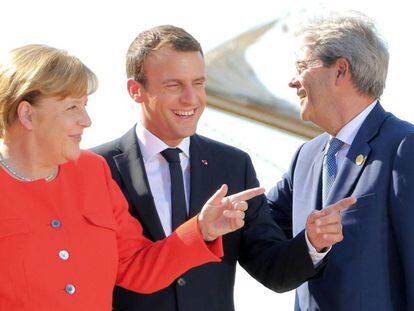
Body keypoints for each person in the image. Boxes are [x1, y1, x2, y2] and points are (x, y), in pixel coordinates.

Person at [93, 25, 355, 311]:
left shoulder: (233, 165)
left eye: (198, 83)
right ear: (136, 90)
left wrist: (311, 243)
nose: (191, 99)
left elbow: (272, 271)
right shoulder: (96, 169)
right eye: (174, 85)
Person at [0, 44, 266, 310]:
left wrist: (202, 229)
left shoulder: (93, 170)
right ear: (27, 114)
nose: (86, 120)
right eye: (72, 107)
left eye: (85, 105)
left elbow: (136, 265)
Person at [268, 11, 414, 311]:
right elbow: (260, 226)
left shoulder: (405, 146)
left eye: (302, 67)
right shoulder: (305, 158)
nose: (292, 81)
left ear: (340, 71)